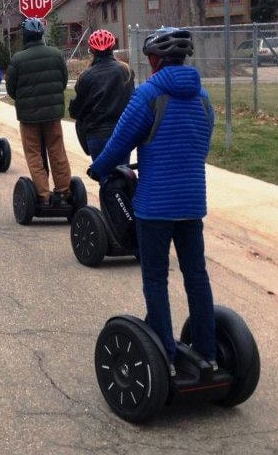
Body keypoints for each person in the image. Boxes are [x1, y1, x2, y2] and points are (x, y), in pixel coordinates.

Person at [89, 27, 217, 376]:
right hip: (192, 203)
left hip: (155, 206)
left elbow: (119, 142)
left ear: (155, 59)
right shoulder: (202, 97)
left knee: (155, 278)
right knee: (196, 275)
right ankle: (208, 353)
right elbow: (202, 144)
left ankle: (165, 355)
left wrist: (99, 169)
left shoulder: (149, 94)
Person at [5, 18, 72, 205]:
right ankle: (64, 191)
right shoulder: (57, 54)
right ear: (41, 34)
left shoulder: (17, 59)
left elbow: (11, 89)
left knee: (34, 154)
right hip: (53, 114)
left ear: (25, 36)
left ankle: (44, 195)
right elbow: (63, 82)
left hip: (28, 117)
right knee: (57, 150)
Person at [69, 29, 135, 164]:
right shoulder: (126, 71)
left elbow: (76, 112)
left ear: (91, 51)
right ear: (112, 47)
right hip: (122, 132)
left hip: (96, 134)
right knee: (123, 175)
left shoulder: (86, 76)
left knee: (105, 179)